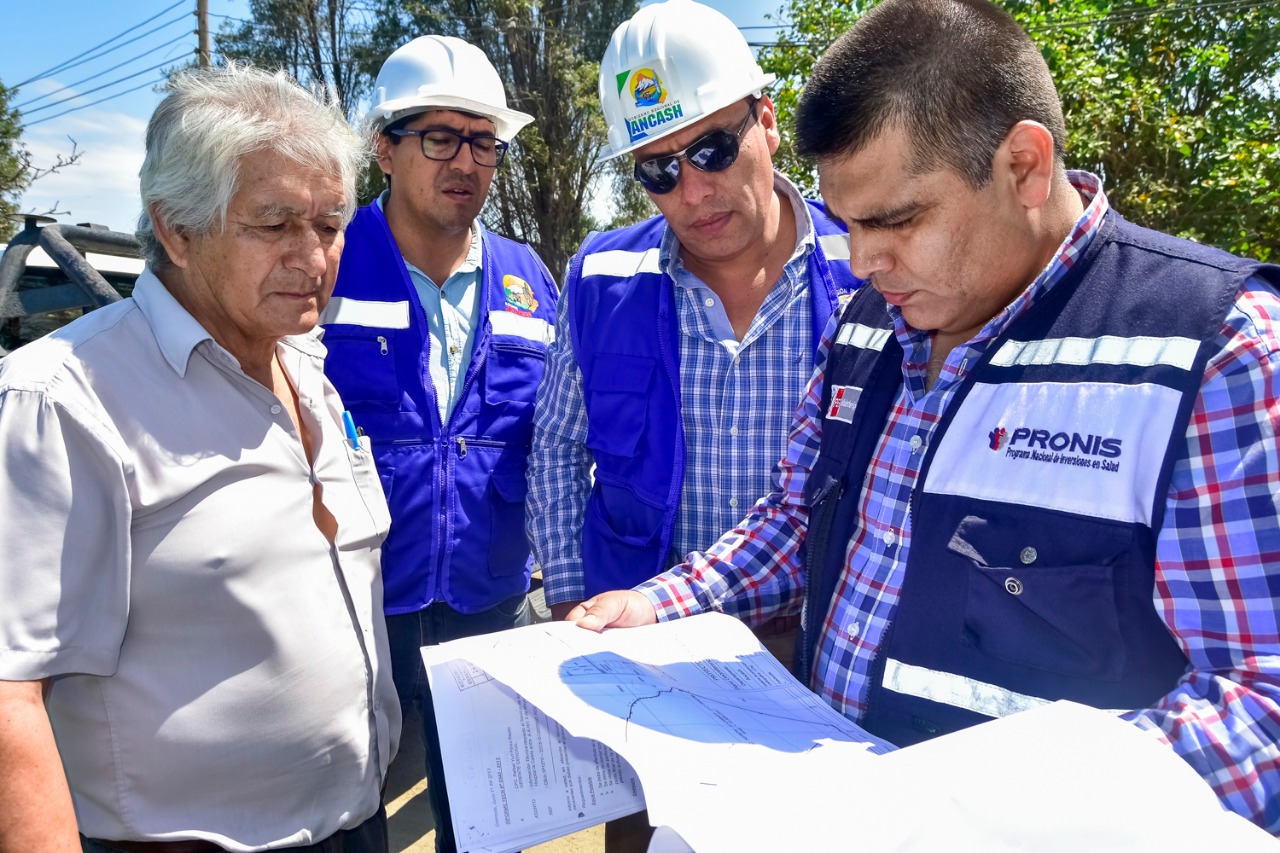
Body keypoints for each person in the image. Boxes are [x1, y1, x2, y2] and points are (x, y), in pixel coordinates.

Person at [570, 0, 1280, 834]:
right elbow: (798, 521)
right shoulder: (874, 323)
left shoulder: (1215, 350)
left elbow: (1258, 704)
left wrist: (986, 818)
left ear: (1023, 165)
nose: (864, 260)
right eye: (847, 223)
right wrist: (658, 604)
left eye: (896, 220)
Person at [0, 65, 400, 851]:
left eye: (328, 224)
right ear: (176, 229)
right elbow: (10, 698)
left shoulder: (306, 370)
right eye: (275, 222)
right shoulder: (62, 399)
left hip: (355, 822)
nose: (313, 257)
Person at [527, 0, 861, 637]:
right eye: (659, 169)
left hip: (816, 643)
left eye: (712, 150)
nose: (694, 191)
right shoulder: (601, 279)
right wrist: (571, 599)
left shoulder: (865, 269)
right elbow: (556, 450)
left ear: (765, 121)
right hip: (641, 640)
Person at [319, 35, 557, 853]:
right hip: (352, 598)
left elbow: (560, 438)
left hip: (488, 594)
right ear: (385, 148)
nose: (466, 160)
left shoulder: (530, 278)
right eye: (440, 137)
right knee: (347, 814)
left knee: (488, 817)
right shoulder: (328, 262)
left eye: (483, 140)